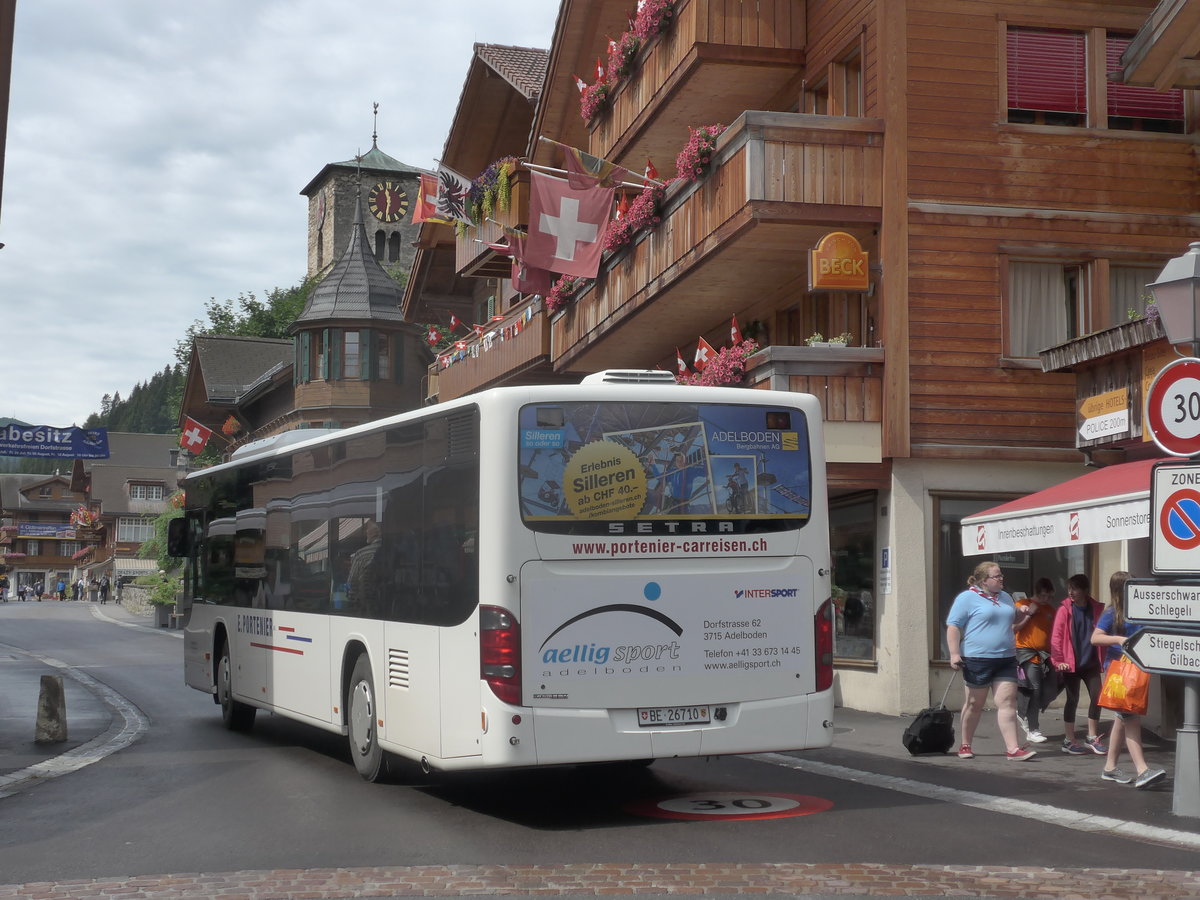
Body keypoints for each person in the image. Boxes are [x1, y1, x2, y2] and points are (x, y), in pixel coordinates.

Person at [945, 560, 1037, 761]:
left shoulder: (1005, 597)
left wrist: (1020, 613)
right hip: (978, 659)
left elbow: (1008, 619)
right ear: (984, 581)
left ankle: (1013, 749)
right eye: (997, 576)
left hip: (1005, 657)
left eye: (1001, 575)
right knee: (974, 704)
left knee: (1007, 702)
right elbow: (953, 626)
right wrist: (954, 654)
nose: (1002, 578)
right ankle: (965, 744)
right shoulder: (967, 598)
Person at [1091, 570, 1166, 789]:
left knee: (1122, 718)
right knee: (1131, 718)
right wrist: (1120, 639)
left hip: (1135, 670)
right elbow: (1095, 638)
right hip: (1118, 673)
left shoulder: (1139, 610)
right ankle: (1142, 770)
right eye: (1130, 584)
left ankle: (1110, 768)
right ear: (1122, 589)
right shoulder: (1111, 613)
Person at [1050, 573, 1107, 756]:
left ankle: (1091, 737)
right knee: (1072, 699)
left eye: (1074, 588)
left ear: (1084, 590)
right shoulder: (1064, 610)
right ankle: (1069, 740)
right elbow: (1056, 638)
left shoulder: (1095, 609)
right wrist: (1059, 661)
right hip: (1070, 663)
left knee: (1097, 696)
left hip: (1090, 661)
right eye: (1069, 589)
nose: (1070, 592)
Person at [1014, 577, 1058, 743]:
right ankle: (1033, 729)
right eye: (1043, 596)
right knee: (1035, 689)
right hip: (1026, 652)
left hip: (1046, 654)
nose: (1046, 600)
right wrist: (1029, 615)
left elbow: (1053, 634)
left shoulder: (1050, 610)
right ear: (1037, 593)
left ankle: (1024, 713)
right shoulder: (1021, 605)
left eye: (1049, 596)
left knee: (1051, 690)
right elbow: (1013, 628)